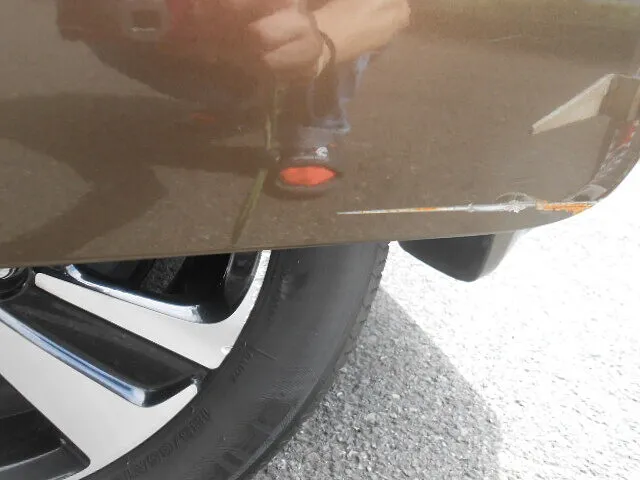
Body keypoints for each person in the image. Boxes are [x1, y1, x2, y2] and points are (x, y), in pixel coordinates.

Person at [58, 0, 411, 194]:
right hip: (197, 30)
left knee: (312, 36)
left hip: (305, 19)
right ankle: (241, 99)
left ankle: (314, 125)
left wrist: (322, 46)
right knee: (112, 34)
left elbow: (389, 6)